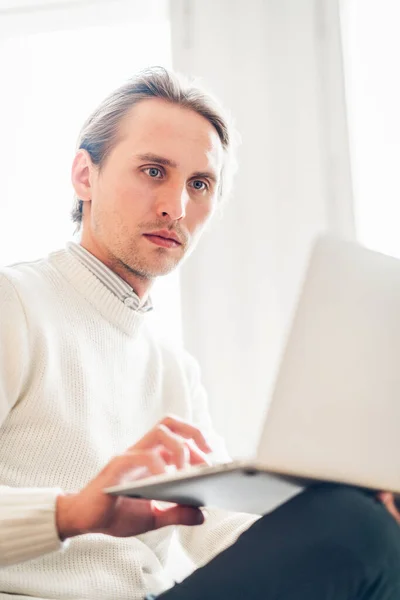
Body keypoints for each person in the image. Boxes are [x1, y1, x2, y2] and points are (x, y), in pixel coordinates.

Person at [0, 67, 399, 600]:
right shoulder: (15, 303)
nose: (176, 207)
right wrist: (71, 513)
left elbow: (211, 529)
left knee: (373, 527)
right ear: (84, 175)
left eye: (199, 184)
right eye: (152, 170)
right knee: (357, 528)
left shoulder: (173, 367)